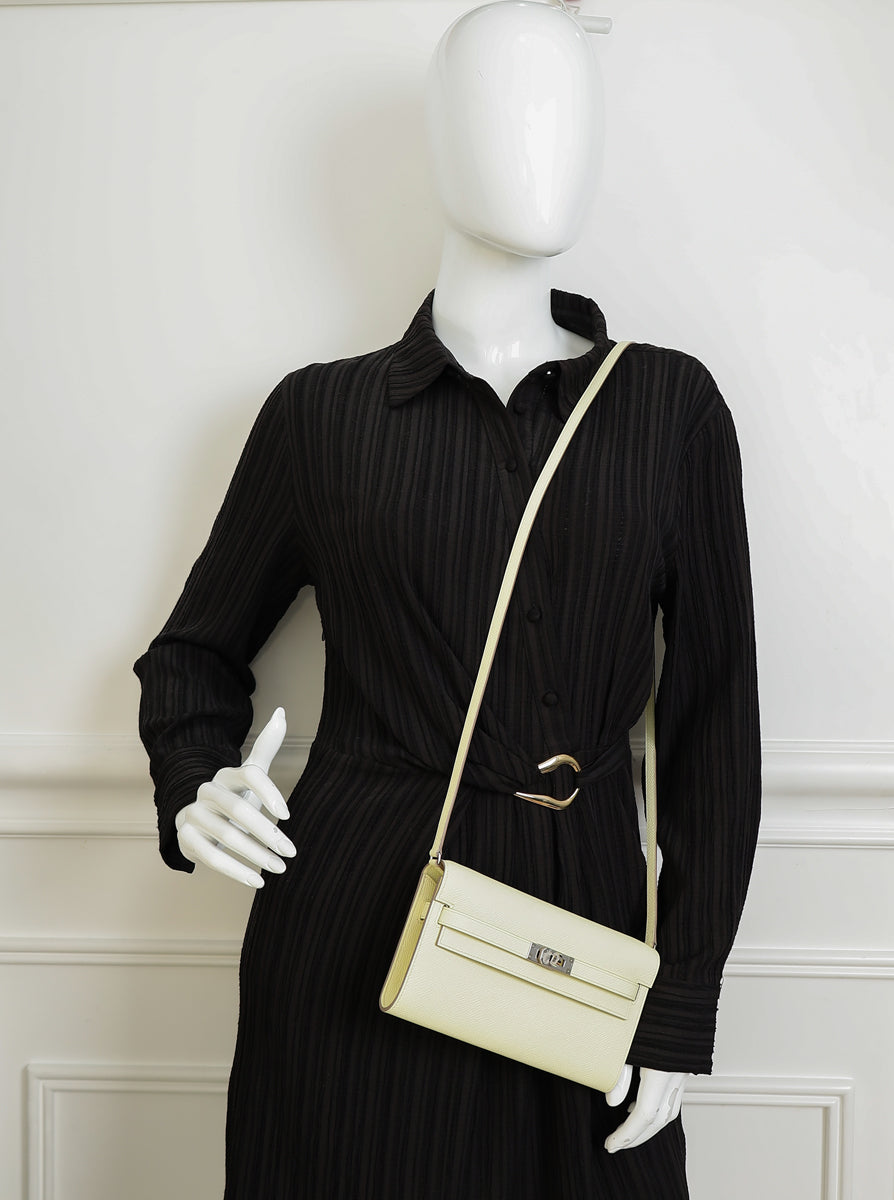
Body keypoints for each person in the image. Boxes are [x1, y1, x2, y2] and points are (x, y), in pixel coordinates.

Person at [134, 3, 760, 1196]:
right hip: (357, 923)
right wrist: (195, 782)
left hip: (579, 932)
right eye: (505, 106)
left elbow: (714, 728)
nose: (544, 145)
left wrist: (681, 1001)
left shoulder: (667, 411)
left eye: (572, 112)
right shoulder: (321, 416)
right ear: (438, 136)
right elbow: (192, 656)